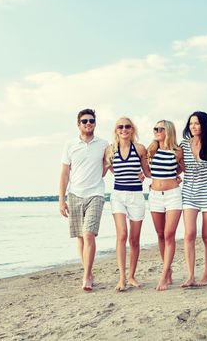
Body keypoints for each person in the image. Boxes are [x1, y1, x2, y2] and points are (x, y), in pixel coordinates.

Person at [59, 108, 108, 291]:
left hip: (96, 193)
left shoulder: (104, 144)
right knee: (80, 237)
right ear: (78, 124)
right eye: (85, 121)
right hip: (74, 194)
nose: (88, 124)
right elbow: (64, 174)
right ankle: (88, 270)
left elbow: (111, 165)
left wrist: (139, 174)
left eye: (91, 120)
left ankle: (86, 275)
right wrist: (61, 200)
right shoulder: (70, 145)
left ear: (95, 123)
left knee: (89, 234)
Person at [104, 117, 150, 291]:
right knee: (122, 234)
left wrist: (173, 174)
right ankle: (122, 278)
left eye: (127, 126)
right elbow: (105, 169)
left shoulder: (139, 149)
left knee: (134, 239)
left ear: (132, 129)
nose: (124, 129)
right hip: (118, 196)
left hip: (136, 196)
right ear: (116, 130)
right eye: (120, 127)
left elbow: (148, 172)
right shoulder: (110, 150)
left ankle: (131, 276)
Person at [180, 111, 207, 288]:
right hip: (189, 191)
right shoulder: (183, 144)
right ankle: (190, 276)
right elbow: (178, 166)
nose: (194, 127)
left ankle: (206, 275)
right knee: (189, 234)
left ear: (204, 125)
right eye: (191, 124)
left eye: (197, 123)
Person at [147, 120, 184, 291]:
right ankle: (168, 269)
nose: (156, 131)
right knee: (160, 235)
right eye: (155, 129)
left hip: (173, 196)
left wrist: (173, 177)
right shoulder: (151, 151)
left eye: (160, 129)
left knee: (169, 234)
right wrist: (154, 182)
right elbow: (148, 171)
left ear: (168, 131)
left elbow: (182, 168)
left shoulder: (177, 151)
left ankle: (163, 276)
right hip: (154, 197)